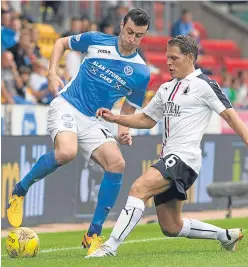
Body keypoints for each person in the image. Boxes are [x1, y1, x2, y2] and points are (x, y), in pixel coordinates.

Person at [87, 35, 248, 258]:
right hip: (172, 157)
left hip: (184, 158)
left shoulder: (204, 85)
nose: (168, 63)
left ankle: (109, 247)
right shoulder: (166, 88)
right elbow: (147, 119)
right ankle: (226, 236)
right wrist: (116, 119)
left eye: (174, 58)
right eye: (167, 58)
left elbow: (232, 117)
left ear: (190, 57)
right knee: (171, 226)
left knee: (138, 188)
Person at [7, 8, 151, 256]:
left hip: (95, 120)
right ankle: (19, 191)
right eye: (129, 32)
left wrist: (123, 128)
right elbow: (62, 43)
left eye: (139, 36)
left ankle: (93, 234)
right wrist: (52, 73)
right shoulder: (96, 40)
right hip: (68, 105)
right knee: (67, 152)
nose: (132, 40)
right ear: (121, 25)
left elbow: (130, 105)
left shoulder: (141, 71)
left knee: (117, 163)